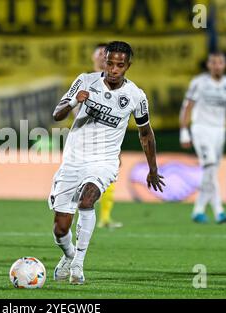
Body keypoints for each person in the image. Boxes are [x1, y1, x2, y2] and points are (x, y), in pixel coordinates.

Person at [49, 41, 165, 284]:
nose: (113, 69)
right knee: (60, 229)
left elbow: (145, 133)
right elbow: (57, 114)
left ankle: (79, 264)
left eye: (119, 65)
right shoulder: (85, 80)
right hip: (74, 159)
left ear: (128, 66)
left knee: (87, 199)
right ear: (104, 61)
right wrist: (73, 102)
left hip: (104, 160)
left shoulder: (136, 96)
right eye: (110, 63)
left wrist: (153, 169)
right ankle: (68, 254)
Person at [179, 52, 226, 224]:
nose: (217, 66)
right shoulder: (199, 83)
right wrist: (184, 131)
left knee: (210, 172)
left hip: (219, 132)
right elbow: (187, 107)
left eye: (220, 63)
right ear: (209, 65)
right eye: (214, 63)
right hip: (200, 129)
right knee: (210, 165)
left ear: (225, 65)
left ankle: (198, 210)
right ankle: (220, 211)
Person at [91, 43, 123, 229]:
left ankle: (105, 217)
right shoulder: (87, 80)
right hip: (87, 139)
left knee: (109, 176)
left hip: (109, 139)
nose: (103, 57)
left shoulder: (117, 84)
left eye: (106, 55)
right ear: (93, 58)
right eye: (100, 54)